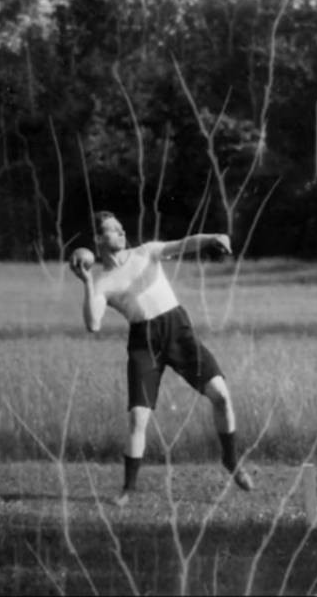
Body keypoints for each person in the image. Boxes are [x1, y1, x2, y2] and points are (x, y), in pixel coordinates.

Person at [70, 210, 253, 506]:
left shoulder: (146, 252)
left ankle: (231, 461)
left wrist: (213, 238)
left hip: (178, 331)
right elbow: (93, 324)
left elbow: (183, 244)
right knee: (137, 418)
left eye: (120, 228)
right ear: (98, 239)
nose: (120, 233)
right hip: (144, 343)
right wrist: (87, 282)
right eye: (111, 230)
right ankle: (128, 489)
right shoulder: (102, 281)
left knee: (221, 396)